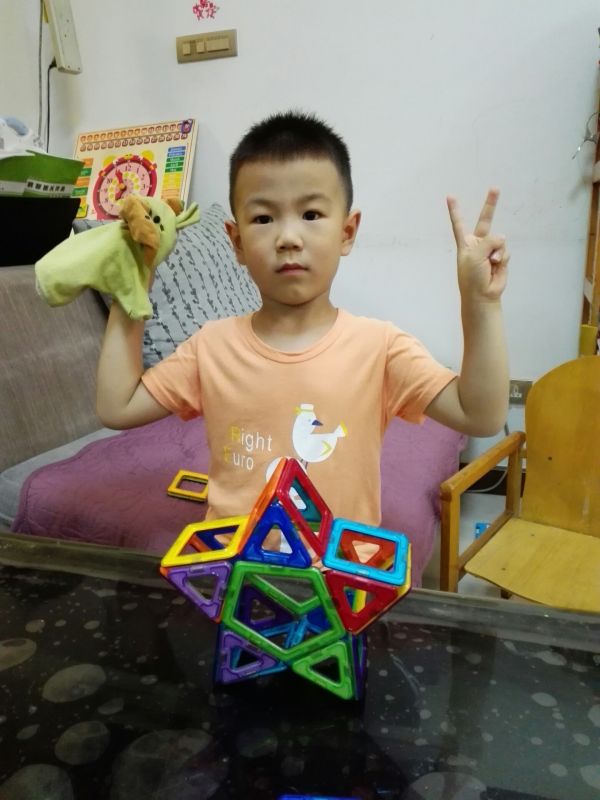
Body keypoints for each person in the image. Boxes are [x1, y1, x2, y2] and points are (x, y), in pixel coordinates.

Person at [97, 110, 509, 532]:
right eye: (263, 218)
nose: (288, 238)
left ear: (347, 232)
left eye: (311, 215)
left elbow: (480, 416)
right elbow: (117, 406)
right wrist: (131, 291)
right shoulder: (211, 346)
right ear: (236, 242)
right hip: (237, 561)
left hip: (339, 565)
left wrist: (480, 303)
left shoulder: (380, 347)